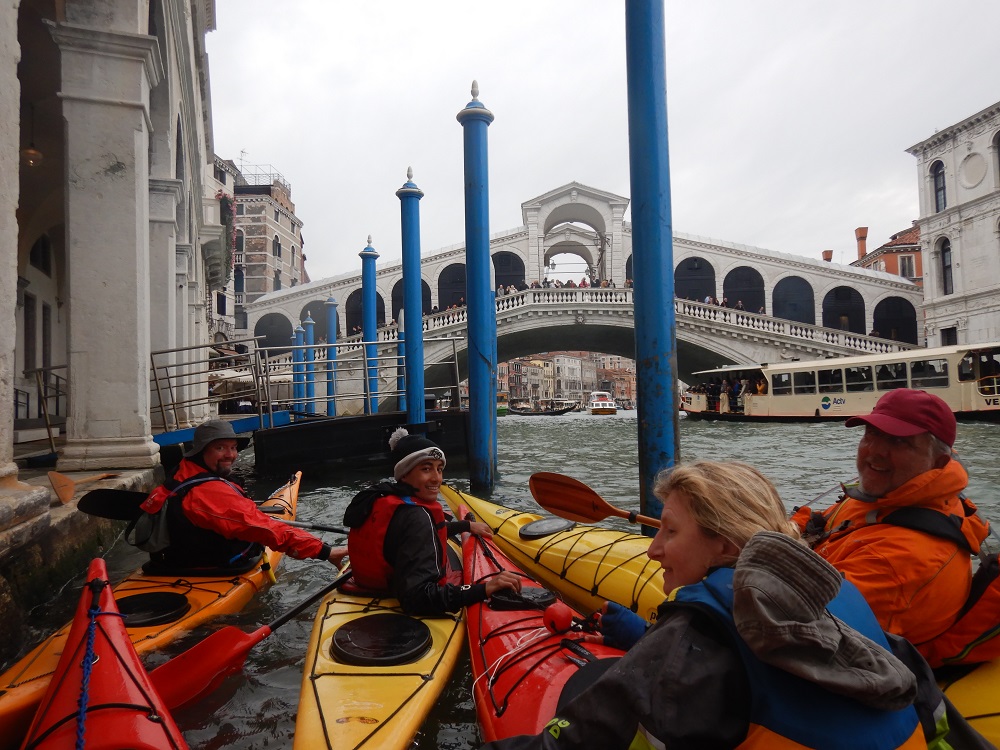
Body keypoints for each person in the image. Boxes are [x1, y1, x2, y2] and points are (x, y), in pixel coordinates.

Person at [482, 461, 923, 749]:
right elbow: (753, 664)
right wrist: (646, 636)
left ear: (724, 545)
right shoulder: (843, 592)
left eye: (670, 532)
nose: (653, 550)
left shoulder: (695, 635)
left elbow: (572, 744)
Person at [793, 388, 990, 662]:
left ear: (939, 461)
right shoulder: (892, 494)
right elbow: (820, 522)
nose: (875, 451)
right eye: (871, 434)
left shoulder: (901, 559)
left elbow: (796, 624)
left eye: (899, 441)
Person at [343, 428, 521, 615]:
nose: (436, 478)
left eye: (439, 469)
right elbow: (416, 599)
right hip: (404, 605)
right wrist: (483, 589)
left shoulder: (382, 498)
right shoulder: (417, 517)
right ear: (404, 474)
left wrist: (466, 526)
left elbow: (423, 533)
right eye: (426, 469)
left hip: (368, 587)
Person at [145, 420, 345, 574]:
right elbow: (260, 528)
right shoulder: (208, 491)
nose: (230, 455)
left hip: (169, 561)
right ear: (200, 452)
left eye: (233, 448)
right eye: (220, 448)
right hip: (209, 569)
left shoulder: (182, 472)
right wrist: (324, 551)